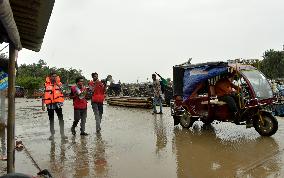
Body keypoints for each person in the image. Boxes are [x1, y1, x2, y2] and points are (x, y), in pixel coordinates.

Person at [42, 71, 67, 140]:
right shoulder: (46, 85)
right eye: (53, 76)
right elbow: (43, 95)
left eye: (55, 76)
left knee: (61, 119)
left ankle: (62, 134)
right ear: (50, 77)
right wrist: (43, 105)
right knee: (51, 120)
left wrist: (58, 85)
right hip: (49, 104)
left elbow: (65, 92)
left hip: (58, 104)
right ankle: (52, 135)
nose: (54, 77)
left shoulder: (60, 84)